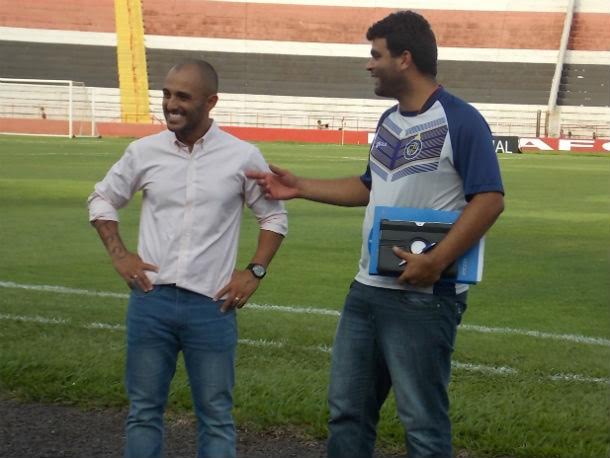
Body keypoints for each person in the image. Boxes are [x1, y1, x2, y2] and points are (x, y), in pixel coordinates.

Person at [247, 11, 504, 458]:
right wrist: (300, 187)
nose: (369, 65)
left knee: (422, 424)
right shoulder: (389, 120)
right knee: (347, 413)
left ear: (404, 59)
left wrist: (437, 260)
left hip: (424, 298)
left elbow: (489, 199)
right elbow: (370, 187)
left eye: (376, 55)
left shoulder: (461, 120)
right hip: (366, 290)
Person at [87, 59, 287, 458]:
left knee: (215, 415)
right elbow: (102, 199)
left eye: (183, 96)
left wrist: (254, 271)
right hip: (151, 301)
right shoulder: (144, 151)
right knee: (144, 412)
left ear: (211, 102)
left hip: (211, 306)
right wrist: (120, 255)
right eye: (166, 94)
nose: (170, 104)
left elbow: (274, 216)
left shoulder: (242, 155)